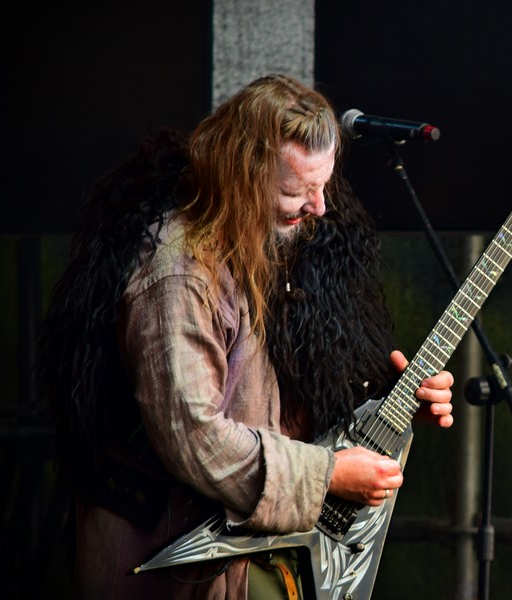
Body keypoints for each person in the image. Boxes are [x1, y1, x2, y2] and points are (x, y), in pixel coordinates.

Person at [38, 74, 454, 599]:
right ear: (240, 177)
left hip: (243, 550)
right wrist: (326, 475)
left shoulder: (265, 243)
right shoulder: (179, 275)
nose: (319, 208)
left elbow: (272, 409)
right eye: (296, 192)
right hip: (165, 564)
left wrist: (391, 406)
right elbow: (196, 436)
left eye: (323, 185)